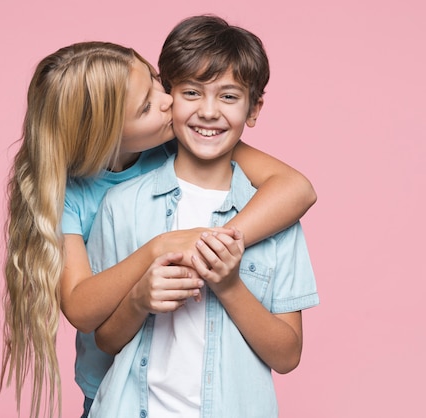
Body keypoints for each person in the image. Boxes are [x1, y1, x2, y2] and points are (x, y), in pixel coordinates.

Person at [1, 41, 316, 418]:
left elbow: (297, 188)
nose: (168, 100)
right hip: (111, 390)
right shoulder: (73, 195)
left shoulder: (181, 140)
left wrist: (216, 248)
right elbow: (82, 309)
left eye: (155, 80)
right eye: (147, 106)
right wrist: (159, 248)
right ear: (104, 132)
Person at [86, 15, 319, 418]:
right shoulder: (121, 205)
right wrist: (139, 299)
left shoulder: (274, 219)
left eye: (228, 97)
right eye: (192, 92)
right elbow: (105, 340)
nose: (209, 112)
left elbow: (287, 355)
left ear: (253, 108)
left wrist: (229, 286)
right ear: (167, 94)